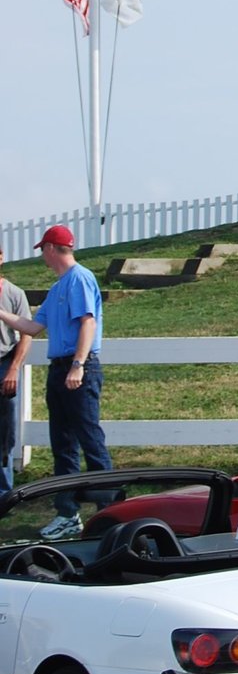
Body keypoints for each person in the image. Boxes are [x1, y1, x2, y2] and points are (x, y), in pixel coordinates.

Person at [0, 225, 112, 536]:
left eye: (43, 251)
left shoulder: (79, 278)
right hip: (59, 369)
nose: (42, 257)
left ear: (51, 248)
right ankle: (68, 513)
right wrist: (2, 313)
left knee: (90, 439)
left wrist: (78, 365)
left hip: (78, 367)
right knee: (63, 443)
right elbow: (33, 327)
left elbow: (87, 323)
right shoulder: (58, 286)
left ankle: (109, 513)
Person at [0, 250, 32, 494]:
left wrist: (13, 369)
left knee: (5, 433)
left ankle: (4, 493)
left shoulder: (14, 293)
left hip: (4, 365)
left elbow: (26, 334)